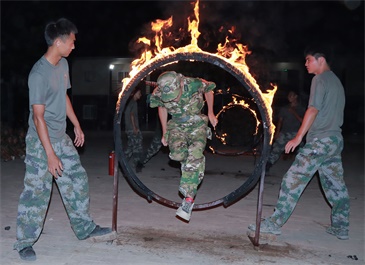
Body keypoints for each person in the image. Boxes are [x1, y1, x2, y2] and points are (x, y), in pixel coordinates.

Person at [13, 18, 112, 261]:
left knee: (77, 180)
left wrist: (77, 125)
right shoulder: (38, 74)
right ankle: (24, 242)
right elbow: (38, 118)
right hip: (40, 140)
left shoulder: (64, 64)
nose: (74, 46)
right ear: (58, 42)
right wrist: (49, 154)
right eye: (72, 42)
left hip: (60, 135)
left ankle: (84, 228)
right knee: (37, 192)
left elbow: (64, 96)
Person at [248, 45, 350, 240]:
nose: (305, 64)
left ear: (321, 60)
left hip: (319, 141)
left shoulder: (319, 79)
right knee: (335, 186)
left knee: (292, 180)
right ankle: (341, 226)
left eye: (308, 60)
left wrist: (298, 137)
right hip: (334, 140)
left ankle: (275, 223)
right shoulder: (336, 81)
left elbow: (313, 109)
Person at [149, 71, 218, 222]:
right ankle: (191, 169)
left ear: (180, 84)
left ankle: (188, 199)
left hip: (196, 123)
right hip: (176, 125)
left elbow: (209, 90)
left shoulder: (193, 82)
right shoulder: (159, 92)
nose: (174, 98)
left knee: (195, 153)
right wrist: (165, 132)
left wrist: (211, 113)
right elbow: (162, 108)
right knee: (178, 155)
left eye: (175, 94)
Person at [266, 90, 306, 172]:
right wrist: (277, 132)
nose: (289, 97)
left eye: (291, 95)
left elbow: (303, 121)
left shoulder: (301, 108)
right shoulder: (284, 108)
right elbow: (280, 121)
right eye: (288, 96)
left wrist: (294, 112)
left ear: (296, 96)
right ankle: (267, 166)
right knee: (276, 149)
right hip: (284, 133)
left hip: (296, 133)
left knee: (302, 152)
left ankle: (302, 169)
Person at [124, 87, 143, 172]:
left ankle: (135, 164)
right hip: (132, 128)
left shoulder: (129, 103)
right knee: (135, 146)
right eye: (139, 93)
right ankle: (123, 163)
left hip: (129, 128)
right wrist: (135, 127)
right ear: (135, 93)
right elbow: (132, 115)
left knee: (133, 146)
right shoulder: (133, 103)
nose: (140, 95)